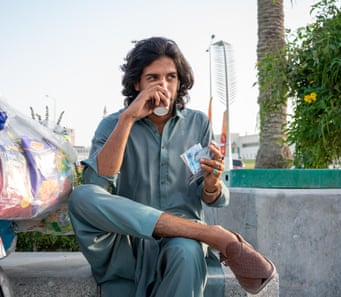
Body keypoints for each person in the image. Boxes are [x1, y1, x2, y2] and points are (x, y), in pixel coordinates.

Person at [68, 36, 276, 297]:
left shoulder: (198, 123)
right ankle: (212, 234)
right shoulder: (113, 124)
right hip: (126, 243)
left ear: (180, 83)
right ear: (137, 83)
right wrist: (128, 118)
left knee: (186, 252)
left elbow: (211, 196)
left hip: (182, 244)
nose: (163, 85)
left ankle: (199, 234)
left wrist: (211, 184)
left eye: (171, 77)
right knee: (82, 195)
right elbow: (98, 187)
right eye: (153, 78)